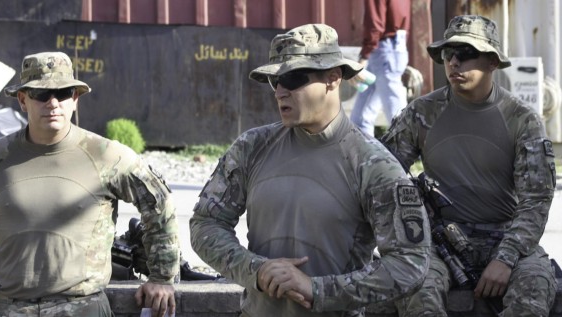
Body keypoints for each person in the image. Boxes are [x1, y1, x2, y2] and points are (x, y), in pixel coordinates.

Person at [190, 23, 431, 317]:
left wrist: (317, 290)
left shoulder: (373, 165)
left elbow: (411, 262)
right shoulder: (252, 147)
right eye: (274, 81)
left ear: (333, 78)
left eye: (292, 78)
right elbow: (206, 224)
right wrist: (256, 269)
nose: (279, 92)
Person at [0, 51, 180, 317]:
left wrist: (161, 277)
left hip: (83, 306)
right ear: (23, 100)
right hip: (10, 307)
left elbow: (157, 202)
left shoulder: (107, 155)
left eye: (64, 93)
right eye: (41, 95)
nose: (53, 103)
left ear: (75, 99)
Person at [381, 15, 557, 316]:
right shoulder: (422, 112)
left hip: (506, 236)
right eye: (449, 54)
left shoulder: (521, 119)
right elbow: (381, 174)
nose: (454, 63)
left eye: (465, 54)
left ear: (492, 62)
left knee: (534, 289)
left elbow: (536, 200)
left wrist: (506, 258)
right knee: (416, 288)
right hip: (437, 240)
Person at [349, 0, 410, 137]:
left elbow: (375, 24)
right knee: (362, 116)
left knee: (395, 109)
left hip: (383, 49)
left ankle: (408, 147)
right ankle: (363, 152)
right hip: (395, 46)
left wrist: (364, 56)